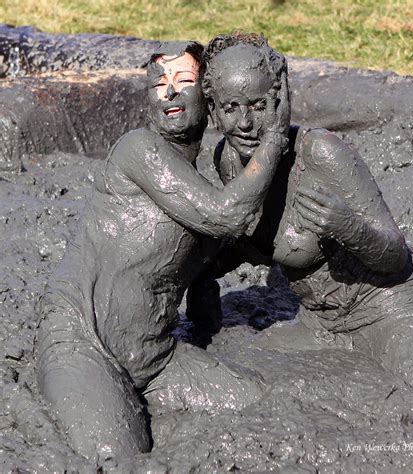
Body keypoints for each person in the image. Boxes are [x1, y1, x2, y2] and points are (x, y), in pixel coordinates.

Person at [35, 40, 290, 462]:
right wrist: (275, 139)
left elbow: (199, 271)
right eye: (159, 84)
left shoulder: (200, 182)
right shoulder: (138, 150)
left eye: (184, 80)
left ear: (206, 98)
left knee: (260, 402)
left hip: (155, 356)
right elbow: (228, 217)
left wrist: (208, 330)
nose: (169, 91)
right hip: (81, 342)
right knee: (116, 455)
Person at [199, 33, 413, 396]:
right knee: (248, 381)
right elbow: (256, 241)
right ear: (214, 111)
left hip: (391, 306)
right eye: (231, 107)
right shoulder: (228, 161)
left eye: (258, 105)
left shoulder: (319, 153)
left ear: (280, 101)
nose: (245, 123)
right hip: (321, 323)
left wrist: (346, 225)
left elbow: (395, 256)